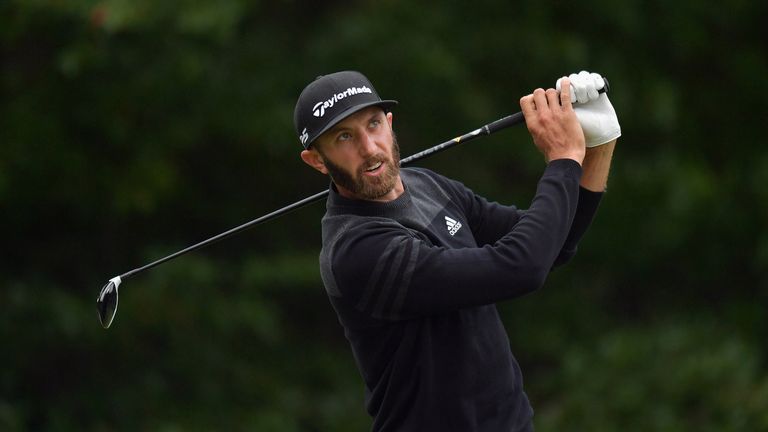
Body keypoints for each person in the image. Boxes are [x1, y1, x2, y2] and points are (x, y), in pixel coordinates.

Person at [294, 70, 620, 432]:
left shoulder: (426, 185)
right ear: (317, 160)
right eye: (344, 137)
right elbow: (521, 268)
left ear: (389, 123)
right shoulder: (355, 250)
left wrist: (598, 146)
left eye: (373, 124)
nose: (369, 148)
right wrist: (564, 159)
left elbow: (553, 244)